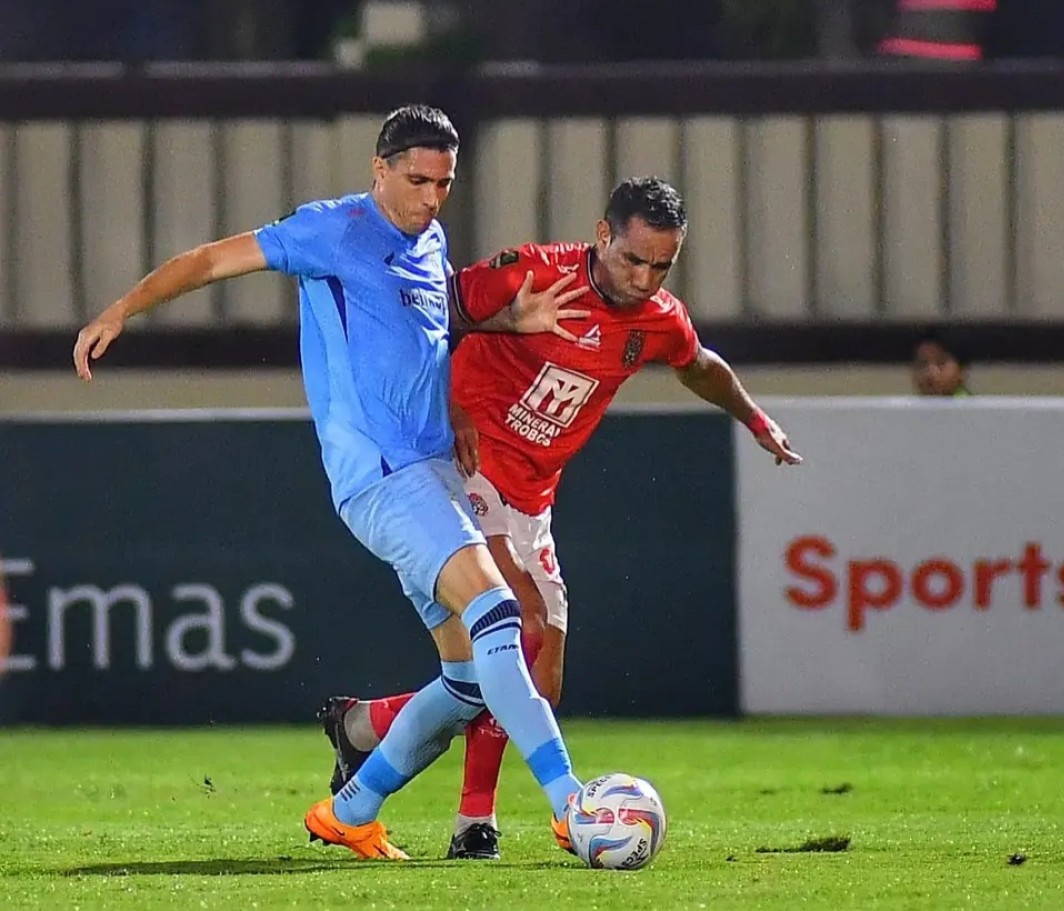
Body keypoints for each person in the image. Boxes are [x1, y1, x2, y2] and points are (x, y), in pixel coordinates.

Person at [72, 103, 592, 861]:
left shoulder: (430, 237)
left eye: (443, 183)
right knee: (500, 617)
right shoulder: (333, 230)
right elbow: (212, 259)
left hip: (435, 473)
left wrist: (502, 333)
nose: (430, 197)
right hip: (385, 479)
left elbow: (426, 323)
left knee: (469, 680)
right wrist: (122, 308)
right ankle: (571, 801)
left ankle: (351, 807)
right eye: (415, 179)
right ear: (377, 169)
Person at [317, 176, 802, 860]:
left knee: (535, 677)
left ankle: (364, 729)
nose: (644, 277)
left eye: (662, 265)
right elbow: (433, 311)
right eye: (634, 258)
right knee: (519, 625)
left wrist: (753, 417)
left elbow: (699, 366)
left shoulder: (656, 318)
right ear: (603, 235)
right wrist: (447, 401)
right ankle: (478, 819)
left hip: (533, 500)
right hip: (467, 469)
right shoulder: (533, 273)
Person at [912, 328, 972, 396]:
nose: (930, 373)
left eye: (941, 363)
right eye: (923, 363)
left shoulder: (969, 405)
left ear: (962, 371)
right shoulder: (912, 405)